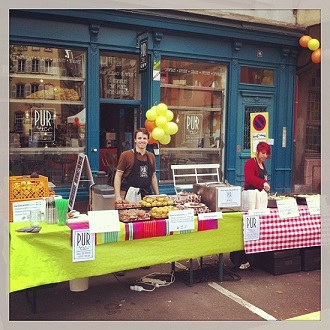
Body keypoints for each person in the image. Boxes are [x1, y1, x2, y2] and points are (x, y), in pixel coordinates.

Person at [230, 141, 271, 270]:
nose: (265, 156)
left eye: (266, 154)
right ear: (257, 152)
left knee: (257, 228)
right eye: (263, 153)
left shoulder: (262, 164)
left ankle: (255, 258)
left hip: (259, 199)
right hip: (250, 199)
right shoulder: (250, 163)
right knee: (249, 228)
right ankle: (243, 258)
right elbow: (249, 179)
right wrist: (263, 183)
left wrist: (264, 185)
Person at [114, 127, 159, 202]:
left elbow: (153, 177)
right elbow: (118, 176)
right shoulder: (126, 155)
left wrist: (157, 195)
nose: (142, 141)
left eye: (144, 138)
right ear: (135, 140)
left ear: (148, 140)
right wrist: (118, 196)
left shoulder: (151, 156)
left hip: (148, 195)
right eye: (139, 138)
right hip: (132, 194)